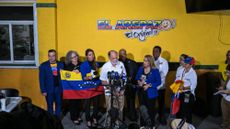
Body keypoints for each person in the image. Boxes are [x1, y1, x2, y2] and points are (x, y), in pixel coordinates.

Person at [100, 50, 127, 127]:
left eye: (116, 58)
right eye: (113, 58)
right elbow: (103, 81)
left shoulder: (121, 64)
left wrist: (122, 90)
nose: (115, 60)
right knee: (110, 109)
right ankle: (109, 124)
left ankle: (119, 124)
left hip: (120, 91)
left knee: (120, 109)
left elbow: (125, 77)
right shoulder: (105, 67)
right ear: (109, 57)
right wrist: (112, 89)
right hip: (109, 92)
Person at [136, 55, 161, 129]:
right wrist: (139, 82)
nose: (144, 62)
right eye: (144, 60)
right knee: (142, 108)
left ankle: (152, 125)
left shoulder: (155, 70)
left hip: (151, 93)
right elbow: (137, 77)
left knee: (150, 109)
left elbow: (159, 82)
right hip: (141, 92)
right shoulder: (140, 68)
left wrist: (149, 85)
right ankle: (142, 124)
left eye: (146, 61)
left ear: (150, 62)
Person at [80, 49, 101, 128]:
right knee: (87, 105)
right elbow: (82, 77)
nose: (91, 56)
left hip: (96, 86)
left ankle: (95, 118)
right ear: (86, 56)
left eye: (92, 54)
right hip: (87, 87)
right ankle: (88, 120)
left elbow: (98, 74)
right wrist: (86, 78)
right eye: (89, 54)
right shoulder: (83, 65)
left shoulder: (97, 64)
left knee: (96, 104)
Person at [39, 49, 64, 117]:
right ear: (48, 56)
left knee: (59, 104)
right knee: (49, 105)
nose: (51, 57)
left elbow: (65, 76)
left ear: (56, 56)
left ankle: (57, 120)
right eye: (50, 56)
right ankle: (50, 120)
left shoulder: (61, 64)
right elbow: (41, 79)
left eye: (53, 56)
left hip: (58, 88)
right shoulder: (43, 65)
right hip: (48, 89)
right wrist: (43, 90)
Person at [175, 56, 197, 124]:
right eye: (185, 63)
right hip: (180, 92)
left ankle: (188, 125)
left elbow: (193, 86)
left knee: (186, 110)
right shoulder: (181, 70)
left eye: (187, 63)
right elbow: (177, 79)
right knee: (179, 110)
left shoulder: (193, 73)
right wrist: (176, 85)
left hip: (188, 94)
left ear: (191, 64)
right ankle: (179, 124)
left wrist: (184, 88)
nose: (184, 64)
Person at [119, 48, 138, 121]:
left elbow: (136, 75)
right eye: (120, 54)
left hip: (130, 86)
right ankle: (121, 116)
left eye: (123, 54)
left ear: (126, 54)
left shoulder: (132, 63)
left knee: (131, 101)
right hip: (120, 86)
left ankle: (132, 115)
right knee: (121, 102)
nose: (122, 56)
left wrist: (131, 79)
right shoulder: (116, 63)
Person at [64, 50, 82, 125]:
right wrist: (72, 73)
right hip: (71, 88)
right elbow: (66, 76)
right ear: (70, 59)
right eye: (73, 57)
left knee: (78, 103)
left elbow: (85, 73)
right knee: (73, 103)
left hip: (79, 87)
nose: (75, 58)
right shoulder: (68, 66)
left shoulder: (81, 64)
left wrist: (80, 72)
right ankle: (73, 117)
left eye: (76, 56)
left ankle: (77, 116)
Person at [152, 46, 169, 124]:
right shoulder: (150, 60)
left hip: (161, 86)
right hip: (152, 86)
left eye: (156, 51)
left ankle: (162, 118)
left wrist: (158, 84)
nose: (154, 52)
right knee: (152, 103)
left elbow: (163, 74)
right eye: (153, 51)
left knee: (161, 103)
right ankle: (151, 119)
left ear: (159, 52)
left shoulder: (164, 61)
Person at [218, 50, 230, 129]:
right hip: (225, 98)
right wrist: (222, 87)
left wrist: (224, 91)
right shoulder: (228, 77)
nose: (227, 73)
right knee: (225, 113)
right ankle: (225, 124)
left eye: (228, 72)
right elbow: (226, 83)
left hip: (227, 96)